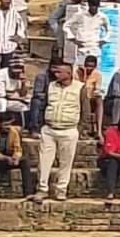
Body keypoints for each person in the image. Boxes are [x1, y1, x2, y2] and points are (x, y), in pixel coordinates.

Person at [33, 62, 89, 202]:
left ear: (68, 74)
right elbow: (44, 104)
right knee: (44, 161)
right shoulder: (51, 86)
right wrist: (41, 124)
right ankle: (42, 189)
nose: (56, 74)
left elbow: (85, 110)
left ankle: (61, 190)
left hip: (69, 129)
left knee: (66, 162)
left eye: (59, 72)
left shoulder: (80, 88)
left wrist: (80, 129)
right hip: (49, 129)